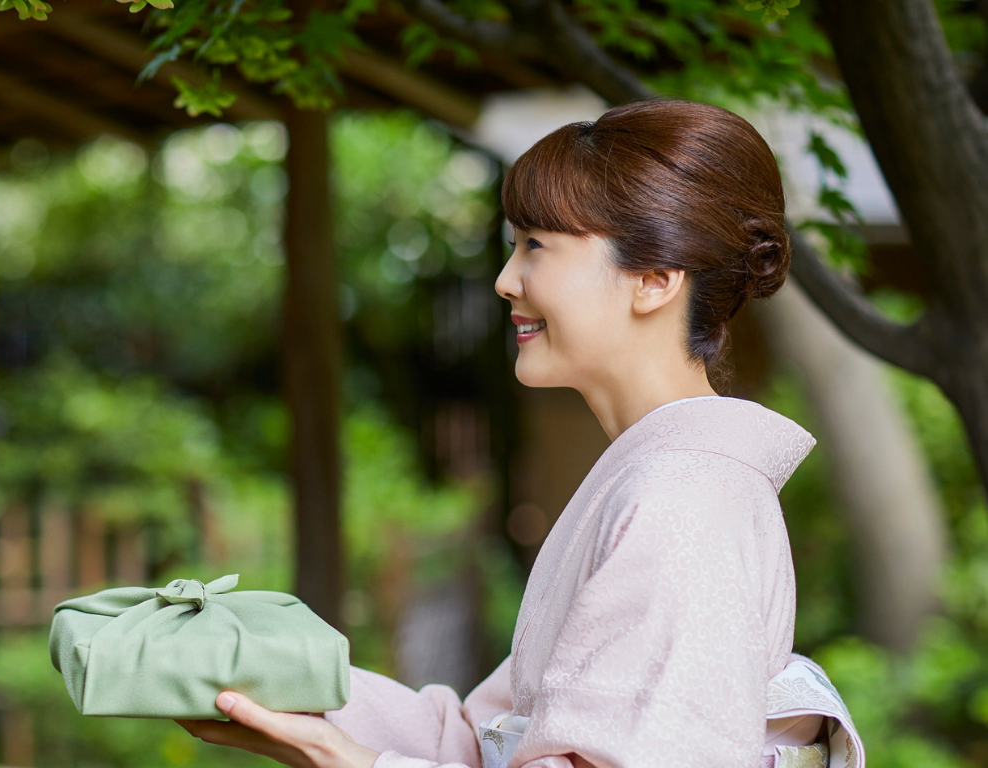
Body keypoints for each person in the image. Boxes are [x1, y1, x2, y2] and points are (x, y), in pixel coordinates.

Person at [176, 97, 864, 768]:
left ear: (654, 279)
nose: (506, 280)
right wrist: (280, 680)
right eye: (513, 246)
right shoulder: (658, 480)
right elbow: (487, 740)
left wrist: (345, 759)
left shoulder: (684, 501)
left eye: (536, 246)